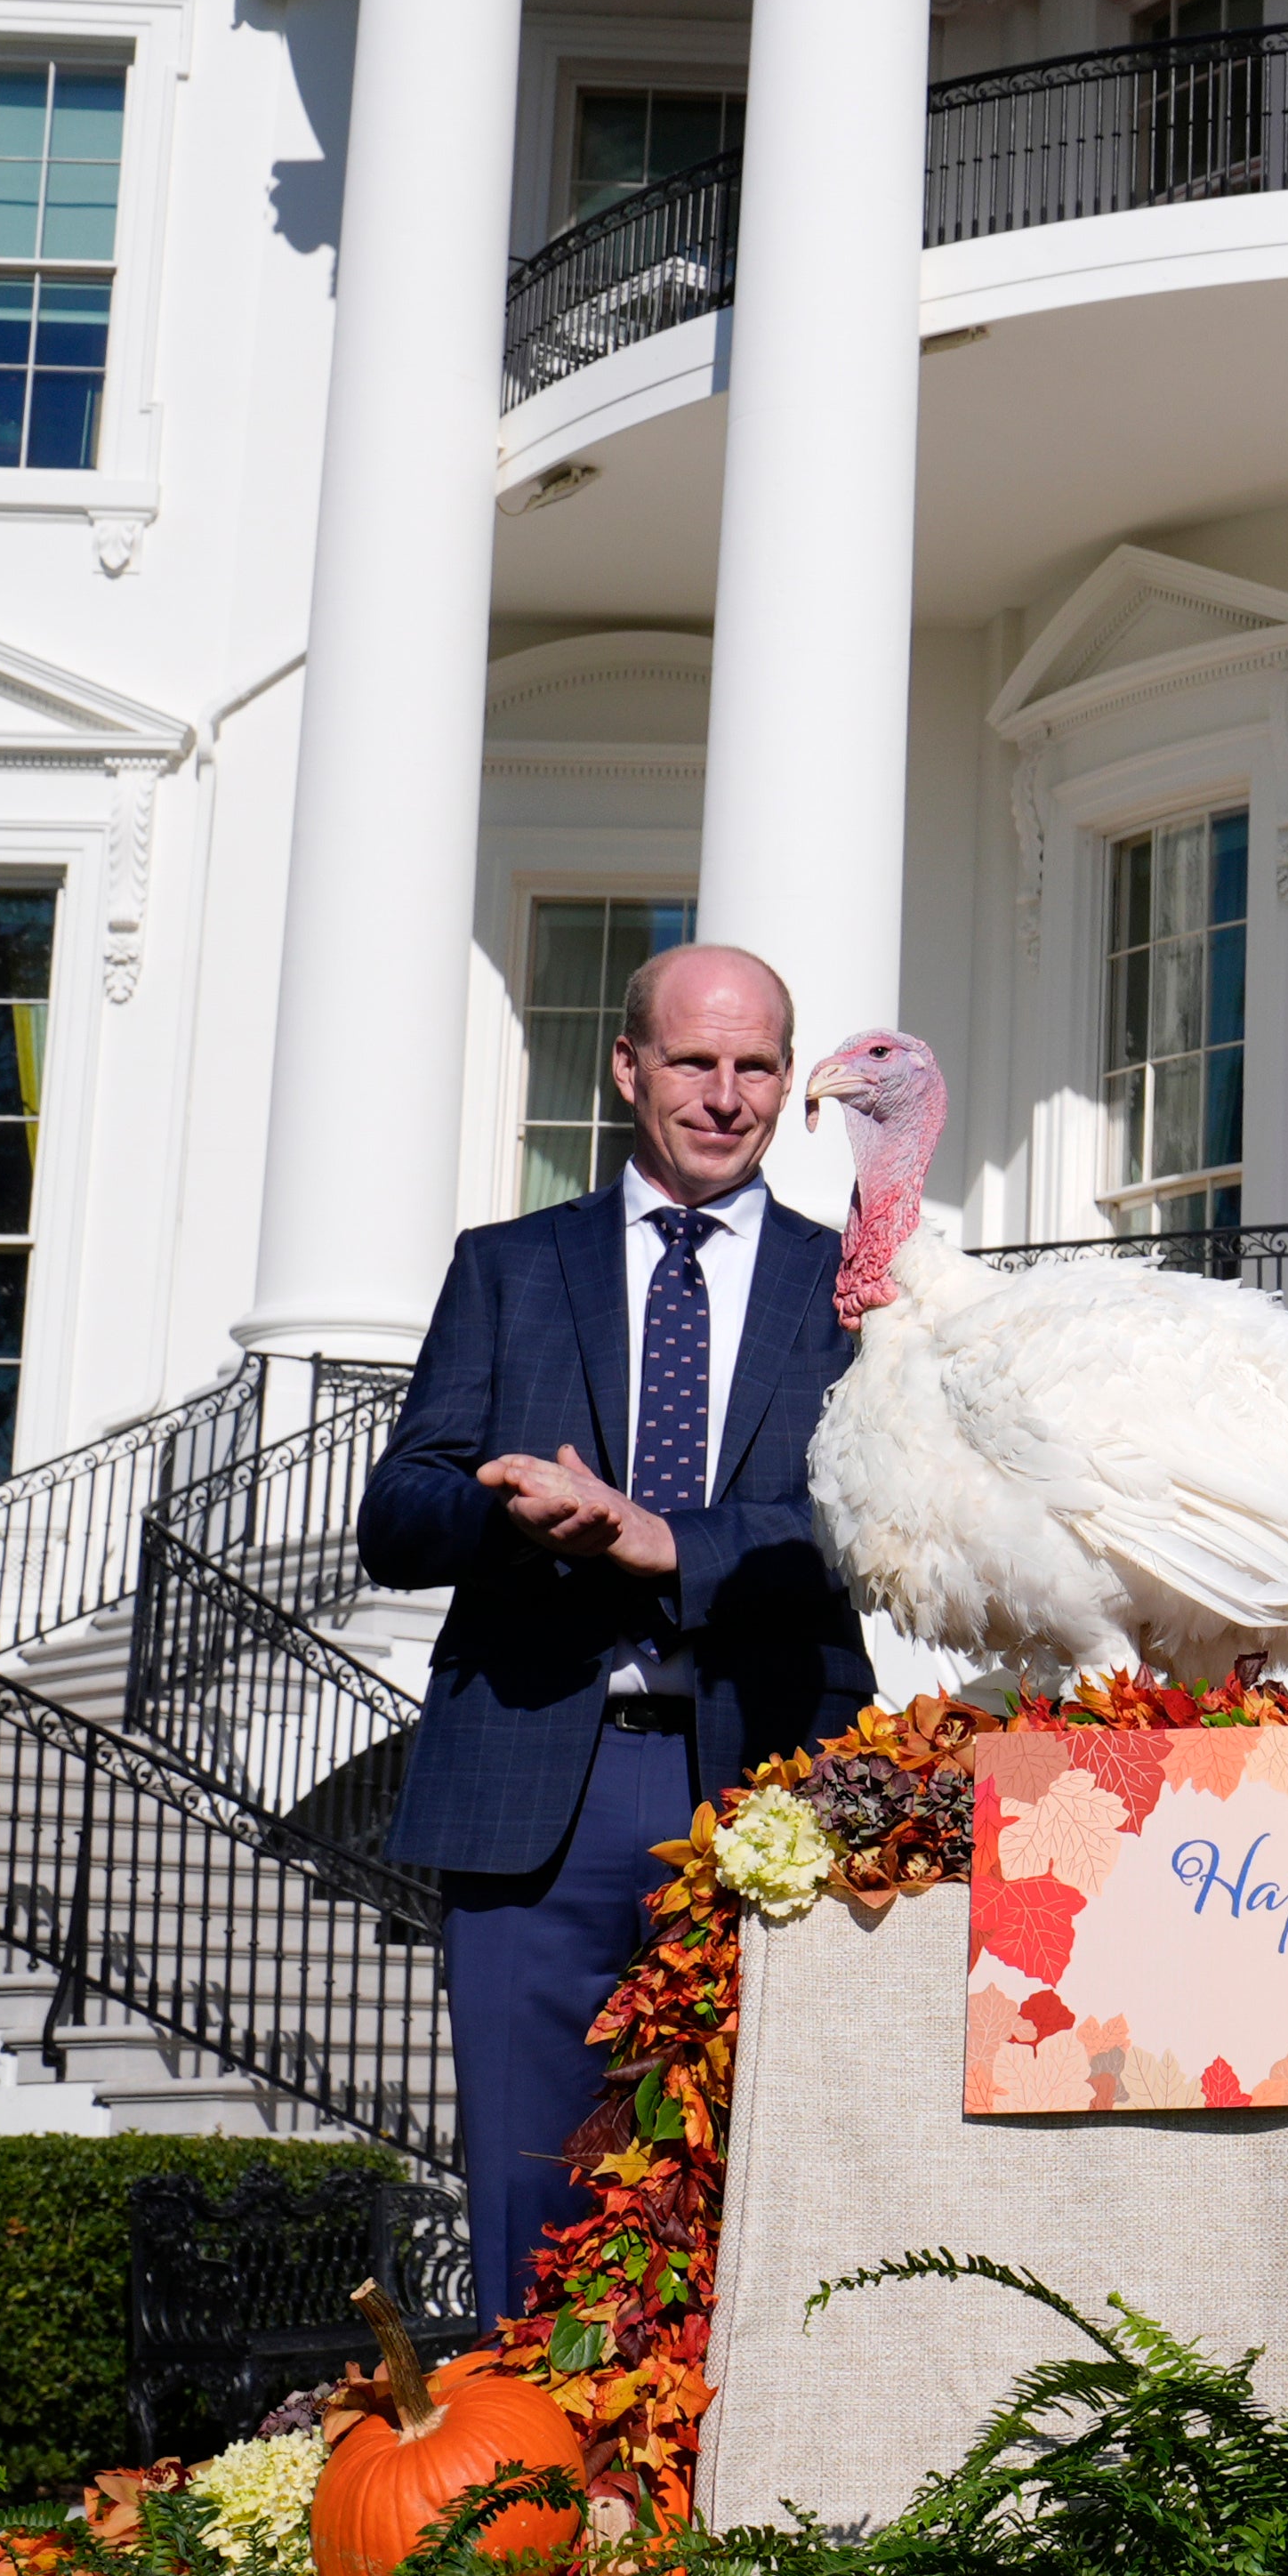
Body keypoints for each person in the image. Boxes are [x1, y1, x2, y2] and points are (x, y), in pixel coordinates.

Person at [362, 942, 875, 2314]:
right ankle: (532, 2510)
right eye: (695, 1061)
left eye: (756, 1064)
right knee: (536, 2192)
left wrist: (672, 1542)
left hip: (768, 1772)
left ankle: (732, 2506)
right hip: (541, 1771)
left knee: (762, 2183)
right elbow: (399, 1513)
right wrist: (511, 1511)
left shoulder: (853, 1292)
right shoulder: (512, 1268)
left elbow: (874, 1525)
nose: (725, 1094)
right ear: (628, 1067)